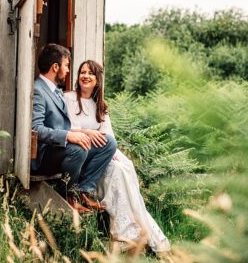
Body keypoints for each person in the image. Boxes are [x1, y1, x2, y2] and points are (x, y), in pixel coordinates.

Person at [64, 60, 171, 253]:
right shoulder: (68, 99)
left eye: (90, 73)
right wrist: (89, 133)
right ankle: (86, 192)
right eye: (82, 72)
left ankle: (130, 233)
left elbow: (109, 136)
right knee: (116, 170)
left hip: (97, 156)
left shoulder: (100, 106)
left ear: (97, 80)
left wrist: (111, 154)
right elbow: (65, 128)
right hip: (79, 153)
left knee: (121, 168)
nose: (85, 76)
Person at [31, 43, 117, 213]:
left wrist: (83, 133)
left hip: (60, 148)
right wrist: (68, 136)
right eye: (66, 65)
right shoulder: (38, 90)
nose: (68, 70)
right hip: (45, 155)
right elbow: (36, 129)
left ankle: (84, 190)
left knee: (109, 143)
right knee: (78, 148)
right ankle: (69, 195)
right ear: (55, 67)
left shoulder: (55, 90)